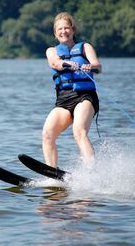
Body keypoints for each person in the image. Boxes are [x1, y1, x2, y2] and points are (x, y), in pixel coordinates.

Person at [42, 12, 102, 168]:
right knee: (48, 134)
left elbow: (98, 66)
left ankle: (92, 172)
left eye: (66, 28)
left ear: (73, 30)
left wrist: (89, 66)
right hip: (64, 99)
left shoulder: (85, 47)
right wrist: (68, 64)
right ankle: (52, 172)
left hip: (85, 96)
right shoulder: (52, 51)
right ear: (55, 33)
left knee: (79, 131)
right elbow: (55, 64)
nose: (63, 31)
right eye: (60, 29)